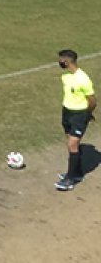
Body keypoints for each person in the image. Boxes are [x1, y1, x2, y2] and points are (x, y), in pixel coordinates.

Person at [55, 49, 96, 191]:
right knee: (71, 143)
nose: (59, 62)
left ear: (66, 61)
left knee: (72, 144)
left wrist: (87, 114)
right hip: (67, 113)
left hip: (79, 115)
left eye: (60, 60)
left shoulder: (83, 79)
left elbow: (92, 100)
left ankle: (70, 179)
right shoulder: (66, 76)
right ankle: (76, 172)